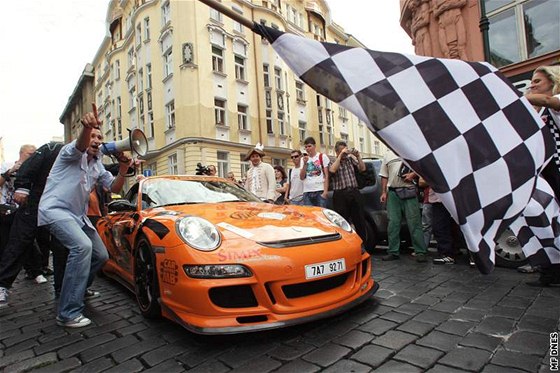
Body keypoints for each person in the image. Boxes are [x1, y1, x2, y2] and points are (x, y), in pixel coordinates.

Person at [37, 112, 131, 327]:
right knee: (82, 247)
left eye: (100, 138)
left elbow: (113, 188)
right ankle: (68, 312)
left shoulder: (97, 164)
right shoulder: (69, 152)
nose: (96, 141)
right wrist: (87, 128)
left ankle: (79, 289)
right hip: (56, 210)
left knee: (100, 255)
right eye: (93, 136)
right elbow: (80, 144)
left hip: (77, 216)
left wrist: (124, 168)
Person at [521, 65, 560, 286]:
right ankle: (550, 268)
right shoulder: (538, 112)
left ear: (553, 82)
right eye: (532, 81)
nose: (532, 85)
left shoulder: (554, 104)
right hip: (543, 171)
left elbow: (547, 101)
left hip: (556, 168)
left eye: (537, 81)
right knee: (544, 218)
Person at [379, 149, 427, 262]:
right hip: (393, 192)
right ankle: (393, 252)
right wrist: (383, 192)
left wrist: (412, 175)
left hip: (409, 190)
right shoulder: (387, 154)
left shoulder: (407, 150)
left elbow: (422, 167)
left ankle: (420, 252)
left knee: (414, 222)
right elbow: (384, 175)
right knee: (393, 223)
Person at [328, 141, 368, 246]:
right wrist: (340, 156)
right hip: (340, 194)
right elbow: (332, 170)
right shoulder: (333, 160)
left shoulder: (350, 160)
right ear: (337, 151)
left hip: (354, 191)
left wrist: (358, 156)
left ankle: (362, 245)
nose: (345, 154)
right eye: (342, 151)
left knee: (359, 220)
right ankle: (345, 245)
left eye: (346, 150)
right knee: (342, 222)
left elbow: (362, 168)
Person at [300, 137, 330, 207]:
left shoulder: (322, 156)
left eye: (309, 146)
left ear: (315, 146)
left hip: (320, 190)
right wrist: (305, 163)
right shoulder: (303, 159)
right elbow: (301, 177)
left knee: (320, 214)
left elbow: (326, 175)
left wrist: (325, 192)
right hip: (307, 191)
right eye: (306, 147)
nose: (308, 148)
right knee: (309, 215)